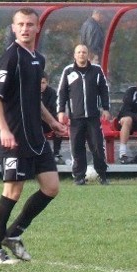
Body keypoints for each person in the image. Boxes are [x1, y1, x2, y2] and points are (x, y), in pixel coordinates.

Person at [0, 8, 67, 265]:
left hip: (36, 136)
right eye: (20, 24)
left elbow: (34, 99)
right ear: (13, 28)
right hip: (15, 137)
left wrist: (52, 121)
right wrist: (4, 130)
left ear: (37, 27)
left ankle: (14, 234)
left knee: (51, 187)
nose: (25, 29)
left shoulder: (38, 59)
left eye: (30, 24)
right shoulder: (10, 57)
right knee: (12, 191)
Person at [57, 44, 111, 185]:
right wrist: (61, 111)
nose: (81, 54)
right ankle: (79, 177)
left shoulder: (96, 70)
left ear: (88, 55)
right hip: (76, 118)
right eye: (79, 52)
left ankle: (102, 175)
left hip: (93, 117)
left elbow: (104, 90)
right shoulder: (68, 71)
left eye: (84, 52)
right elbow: (62, 92)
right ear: (74, 55)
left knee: (98, 146)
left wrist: (106, 108)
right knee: (77, 147)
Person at [40, 72, 64, 165]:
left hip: (48, 121)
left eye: (43, 83)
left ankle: (56, 153)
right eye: (39, 83)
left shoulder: (51, 93)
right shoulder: (31, 92)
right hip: (34, 122)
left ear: (47, 83)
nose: (41, 85)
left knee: (59, 126)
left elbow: (52, 109)